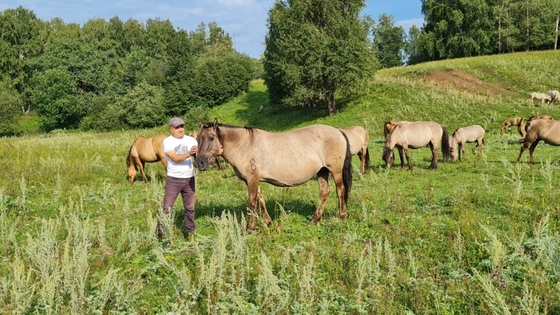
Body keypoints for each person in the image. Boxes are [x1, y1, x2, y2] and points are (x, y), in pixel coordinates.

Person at [157, 117, 198, 239]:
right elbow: (174, 158)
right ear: (171, 129)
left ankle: (191, 232)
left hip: (189, 178)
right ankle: (160, 233)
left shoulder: (191, 140)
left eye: (182, 126)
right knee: (167, 208)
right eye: (177, 127)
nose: (180, 129)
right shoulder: (167, 142)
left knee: (190, 208)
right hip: (174, 179)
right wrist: (189, 154)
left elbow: (198, 155)